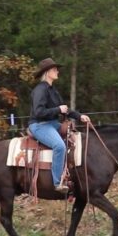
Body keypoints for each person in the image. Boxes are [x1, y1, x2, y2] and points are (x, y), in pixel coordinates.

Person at [28, 57, 91, 193]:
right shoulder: (40, 90)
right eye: (55, 69)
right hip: (40, 125)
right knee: (59, 146)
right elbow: (39, 112)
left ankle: (73, 176)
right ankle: (57, 182)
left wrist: (80, 116)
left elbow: (65, 109)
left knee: (76, 139)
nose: (57, 71)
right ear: (47, 72)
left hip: (52, 124)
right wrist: (58, 110)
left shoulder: (52, 90)